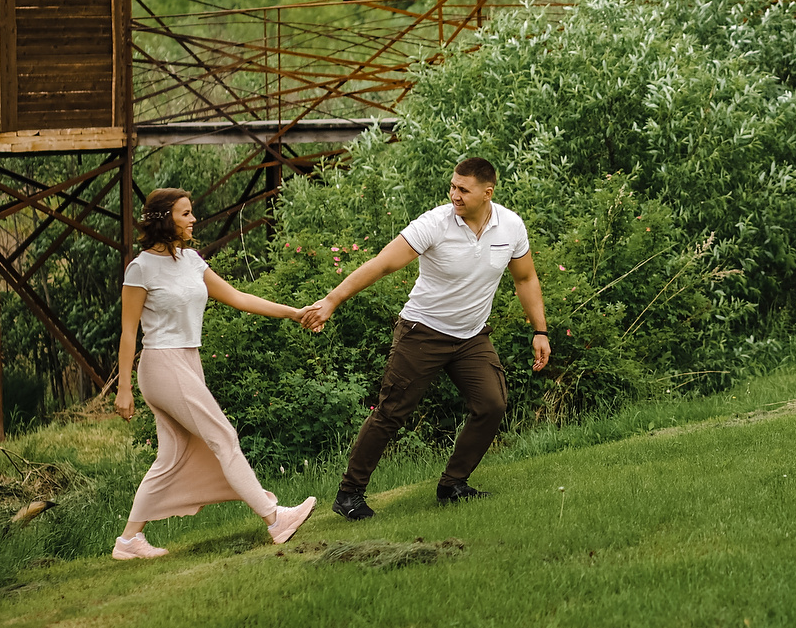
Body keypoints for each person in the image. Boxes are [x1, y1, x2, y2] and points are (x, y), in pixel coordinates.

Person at [298, 157, 550, 519]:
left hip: (471, 337)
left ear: (487, 193)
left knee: (491, 405)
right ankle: (349, 494)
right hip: (423, 332)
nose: (454, 195)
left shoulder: (510, 226)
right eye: (452, 186)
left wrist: (539, 330)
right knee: (391, 413)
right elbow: (383, 263)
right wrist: (332, 300)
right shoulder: (435, 223)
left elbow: (525, 279)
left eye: (463, 189)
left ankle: (453, 485)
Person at [112, 187, 318, 560]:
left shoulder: (192, 261)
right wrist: (123, 386)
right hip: (161, 363)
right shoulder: (140, 267)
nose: (193, 220)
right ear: (164, 219)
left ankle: (128, 541)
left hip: (189, 361)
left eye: (192, 213)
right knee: (223, 435)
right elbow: (128, 332)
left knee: (171, 456)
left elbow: (238, 298)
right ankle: (275, 518)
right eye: (185, 213)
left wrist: (292, 311)